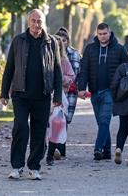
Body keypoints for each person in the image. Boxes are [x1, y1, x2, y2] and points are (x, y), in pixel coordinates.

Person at [0, 9, 62, 180]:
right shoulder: (18, 40)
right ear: (28, 22)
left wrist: (57, 96)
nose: (36, 24)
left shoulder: (52, 42)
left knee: (39, 132)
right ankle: (17, 166)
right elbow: (9, 68)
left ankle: (34, 167)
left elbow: (57, 70)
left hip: (42, 94)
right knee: (20, 127)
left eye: (39, 21)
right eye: (33, 21)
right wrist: (4, 93)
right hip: (20, 94)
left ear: (44, 22)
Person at [78, 23, 128, 160]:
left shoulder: (119, 49)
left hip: (110, 92)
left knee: (105, 121)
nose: (102, 36)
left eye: (105, 33)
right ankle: (106, 152)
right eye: (100, 34)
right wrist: (82, 88)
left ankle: (98, 149)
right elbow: (84, 70)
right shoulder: (90, 49)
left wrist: (121, 89)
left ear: (109, 32)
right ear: (97, 34)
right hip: (94, 91)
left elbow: (126, 70)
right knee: (101, 123)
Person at [46, 35, 75, 166]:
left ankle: (52, 152)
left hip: (59, 96)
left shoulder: (64, 61)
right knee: (43, 124)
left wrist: (61, 79)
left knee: (56, 124)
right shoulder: (44, 58)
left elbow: (71, 76)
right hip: (44, 95)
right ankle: (43, 148)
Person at [55, 27, 81, 125]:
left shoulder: (74, 54)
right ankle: (55, 140)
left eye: (64, 40)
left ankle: (61, 139)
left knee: (66, 119)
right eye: (59, 40)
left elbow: (76, 73)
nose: (62, 43)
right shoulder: (51, 53)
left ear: (68, 41)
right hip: (55, 90)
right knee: (54, 119)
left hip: (71, 90)